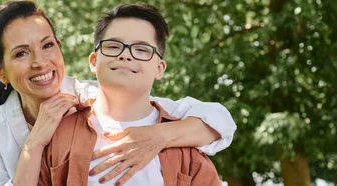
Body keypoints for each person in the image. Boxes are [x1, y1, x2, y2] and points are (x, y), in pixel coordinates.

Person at [0, 1, 235, 186]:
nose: (40, 62)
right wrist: (34, 143)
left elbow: (218, 119)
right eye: (21, 53)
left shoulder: (98, 97)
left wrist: (158, 136)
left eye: (48, 45)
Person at [37, 3, 222, 186]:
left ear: (159, 69)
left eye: (141, 49)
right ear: (93, 61)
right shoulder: (60, 134)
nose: (126, 55)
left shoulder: (185, 147)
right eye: (113, 46)